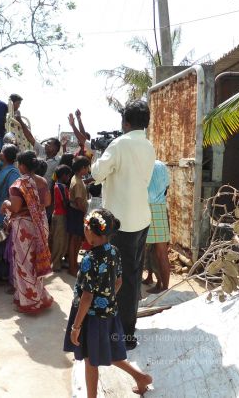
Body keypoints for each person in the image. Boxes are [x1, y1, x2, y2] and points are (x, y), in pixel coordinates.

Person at [63, 209, 153, 398]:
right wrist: (108, 299)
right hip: (109, 313)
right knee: (107, 352)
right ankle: (140, 377)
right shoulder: (114, 251)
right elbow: (118, 281)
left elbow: (87, 296)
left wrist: (76, 326)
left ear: (91, 231)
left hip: (90, 317)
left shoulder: (89, 259)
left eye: (85, 227)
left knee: (90, 360)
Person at [90, 100, 155, 349]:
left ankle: (123, 334)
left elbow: (97, 174)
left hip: (121, 223)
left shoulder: (118, 145)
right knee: (132, 275)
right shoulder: (148, 146)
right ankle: (127, 328)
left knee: (117, 278)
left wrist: (101, 151)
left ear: (125, 122)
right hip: (141, 219)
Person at [1, 150, 53, 313]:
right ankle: (38, 295)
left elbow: (15, 207)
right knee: (35, 261)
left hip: (24, 227)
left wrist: (5, 203)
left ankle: (29, 301)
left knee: (24, 264)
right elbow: (47, 202)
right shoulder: (43, 181)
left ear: (22, 166)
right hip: (40, 224)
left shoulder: (19, 184)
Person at [0, 144, 21, 281]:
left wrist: (9, 212)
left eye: (2, 151)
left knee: (4, 238)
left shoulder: (13, 172)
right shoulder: (1, 168)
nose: (0, 153)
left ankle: (4, 273)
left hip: (5, 208)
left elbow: (13, 195)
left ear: (5, 155)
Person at [143, 160, 171, 293]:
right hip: (160, 208)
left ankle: (136, 293)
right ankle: (164, 288)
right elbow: (167, 187)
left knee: (141, 251)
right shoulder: (161, 165)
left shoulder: (142, 164)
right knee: (162, 253)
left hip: (143, 208)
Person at [67, 156, 91, 276]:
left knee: (76, 240)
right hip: (76, 212)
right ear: (82, 168)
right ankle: (72, 266)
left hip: (76, 212)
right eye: (87, 168)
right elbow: (78, 200)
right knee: (74, 240)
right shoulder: (76, 181)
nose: (88, 170)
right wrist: (85, 213)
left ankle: (74, 264)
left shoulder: (78, 178)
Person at [50, 165, 72, 272]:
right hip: (61, 215)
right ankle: (56, 263)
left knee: (57, 239)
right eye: (68, 176)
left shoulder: (55, 185)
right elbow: (65, 202)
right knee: (59, 240)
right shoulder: (62, 187)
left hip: (56, 214)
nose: (69, 178)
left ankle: (58, 261)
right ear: (64, 175)